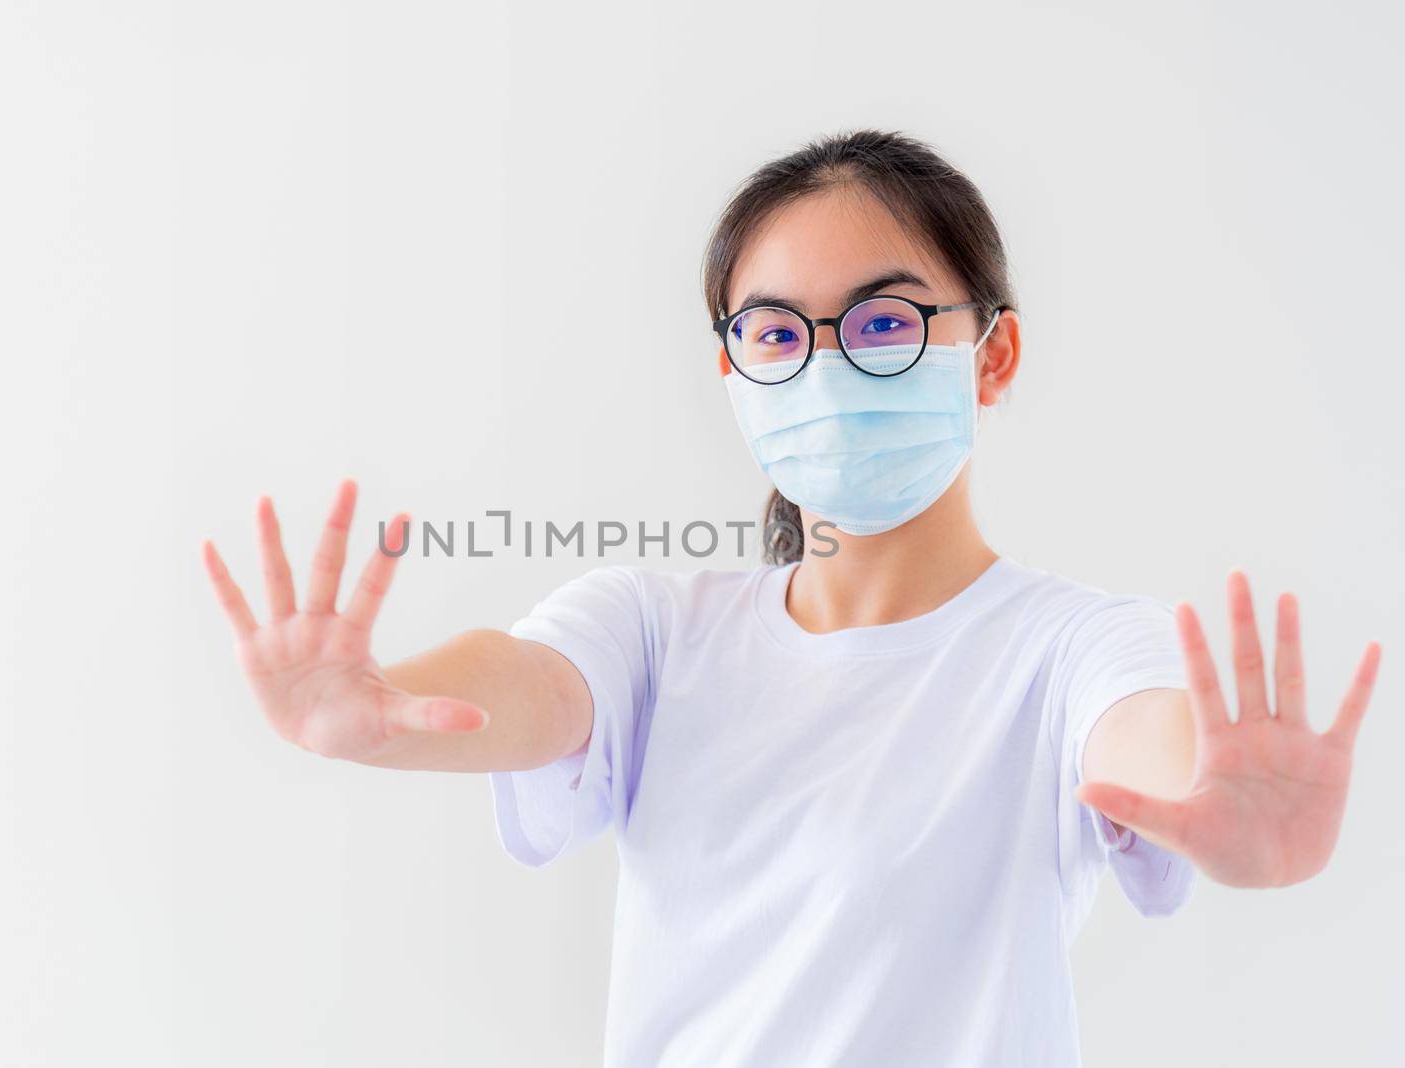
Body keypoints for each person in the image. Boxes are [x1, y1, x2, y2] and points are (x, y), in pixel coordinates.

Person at [200, 130, 1383, 1066]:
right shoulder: (659, 628)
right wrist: (377, 698)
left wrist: (1215, 792)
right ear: (733, 370)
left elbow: (1146, 732)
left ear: (993, 353)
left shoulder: (1066, 649)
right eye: (775, 331)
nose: (825, 364)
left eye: (882, 320)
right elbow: (525, 682)